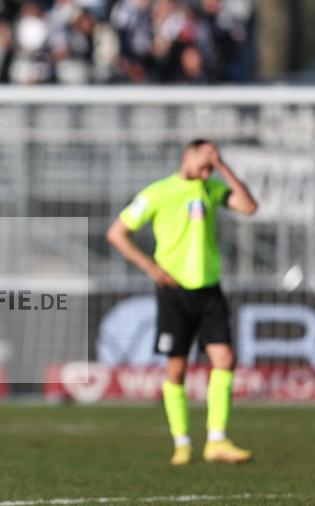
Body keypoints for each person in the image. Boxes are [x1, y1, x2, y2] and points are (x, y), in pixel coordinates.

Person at [106, 140, 258, 466]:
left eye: (211, 164)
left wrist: (223, 167)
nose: (207, 170)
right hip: (174, 291)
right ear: (186, 157)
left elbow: (248, 207)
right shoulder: (158, 192)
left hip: (209, 288)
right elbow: (117, 233)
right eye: (204, 162)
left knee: (225, 358)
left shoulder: (213, 187)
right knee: (177, 367)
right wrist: (151, 267)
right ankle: (182, 442)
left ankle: (217, 439)